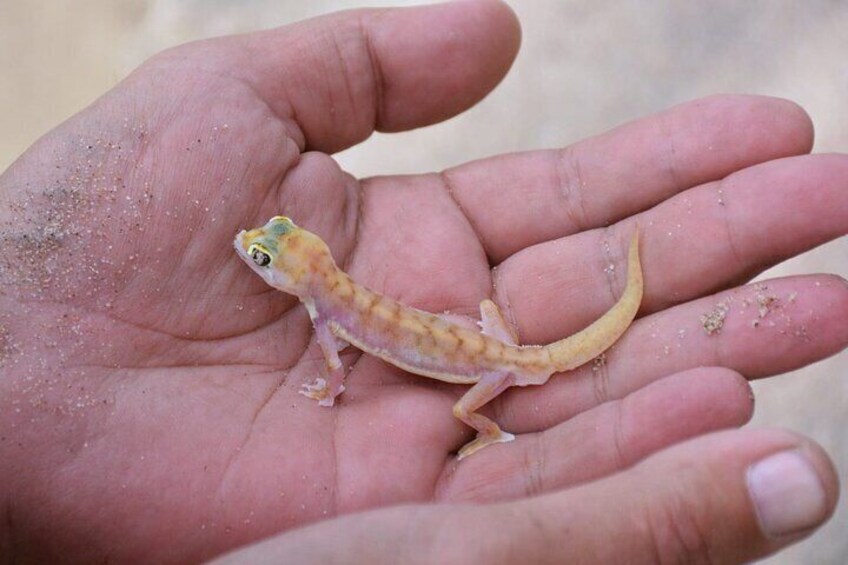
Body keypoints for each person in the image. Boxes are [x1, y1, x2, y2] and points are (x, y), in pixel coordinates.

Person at [0, 1, 844, 562]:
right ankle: (569, 315)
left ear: (304, 271)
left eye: (267, 250)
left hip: (495, 369)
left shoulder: (330, 320)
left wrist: (357, 395)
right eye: (269, 246)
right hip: (495, 342)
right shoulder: (342, 289)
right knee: (488, 343)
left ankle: (482, 426)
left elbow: (335, 371)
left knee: (464, 402)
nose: (256, 247)